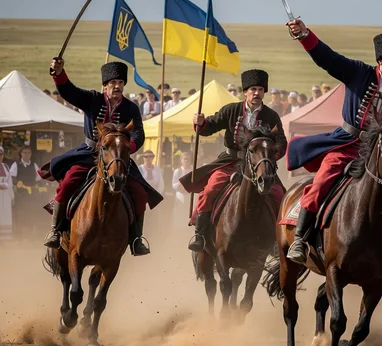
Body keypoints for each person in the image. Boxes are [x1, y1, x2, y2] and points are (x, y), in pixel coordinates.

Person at [284, 19, 382, 274]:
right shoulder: (358, 73)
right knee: (321, 182)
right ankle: (300, 240)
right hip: (346, 144)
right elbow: (327, 58)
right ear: (381, 60)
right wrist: (305, 35)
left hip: (381, 154)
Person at [41, 59, 163, 256]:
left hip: (118, 159)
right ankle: (56, 230)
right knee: (67, 183)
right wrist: (59, 73)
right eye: (113, 83)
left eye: (121, 83)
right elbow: (69, 91)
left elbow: (139, 133)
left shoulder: (131, 108)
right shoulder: (92, 99)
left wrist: (128, 147)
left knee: (140, 193)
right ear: (105, 85)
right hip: (89, 155)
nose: (117, 87)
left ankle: (136, 238)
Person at [184, 69, 287, 252]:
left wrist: (269, 159)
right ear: (245, 92)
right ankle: (200, 235)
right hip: (231, 162)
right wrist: (201, 123)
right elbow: (210, 126)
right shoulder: (231, 110)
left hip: (260, 166)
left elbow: (281, 142)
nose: (256, 93)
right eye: (253, 89)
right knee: (209, 191)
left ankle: (276, 240)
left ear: (264, 92)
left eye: (260, 89)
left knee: (280, 195)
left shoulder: (271, 116)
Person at [0, 147, 13, 243]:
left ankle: (5, 241)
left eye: (1, 154)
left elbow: (10, 182)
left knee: (5, 217)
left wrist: (12, 197)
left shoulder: (6, 167)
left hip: (5, 196)